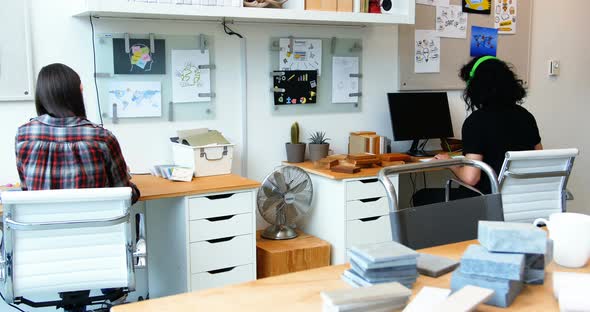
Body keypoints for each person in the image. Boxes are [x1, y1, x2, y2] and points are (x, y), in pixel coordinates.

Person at [414, 56, 542, 205]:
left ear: (474, 87)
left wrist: (450, 163)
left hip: (487, 201)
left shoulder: (476, 122)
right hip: (522, 201)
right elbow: (538, 160)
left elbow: (471, 178)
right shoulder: (526, 116)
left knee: (421, 196)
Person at [15, 63, 140, 203]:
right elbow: (124, 196)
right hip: (95, 224)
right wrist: (130, 182)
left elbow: (26, 191)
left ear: (41, 96)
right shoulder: (102, 138)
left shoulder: (24, 135)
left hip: (44, 223)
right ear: (79, 92)